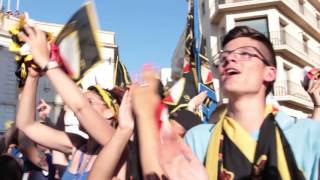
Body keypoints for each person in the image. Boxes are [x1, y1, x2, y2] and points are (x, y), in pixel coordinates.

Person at [185, 26, 320, 179]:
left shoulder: (309, 135)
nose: (229, 59)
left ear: (269, 73)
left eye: (245, 54)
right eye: (223, 57)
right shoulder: (198, 139)